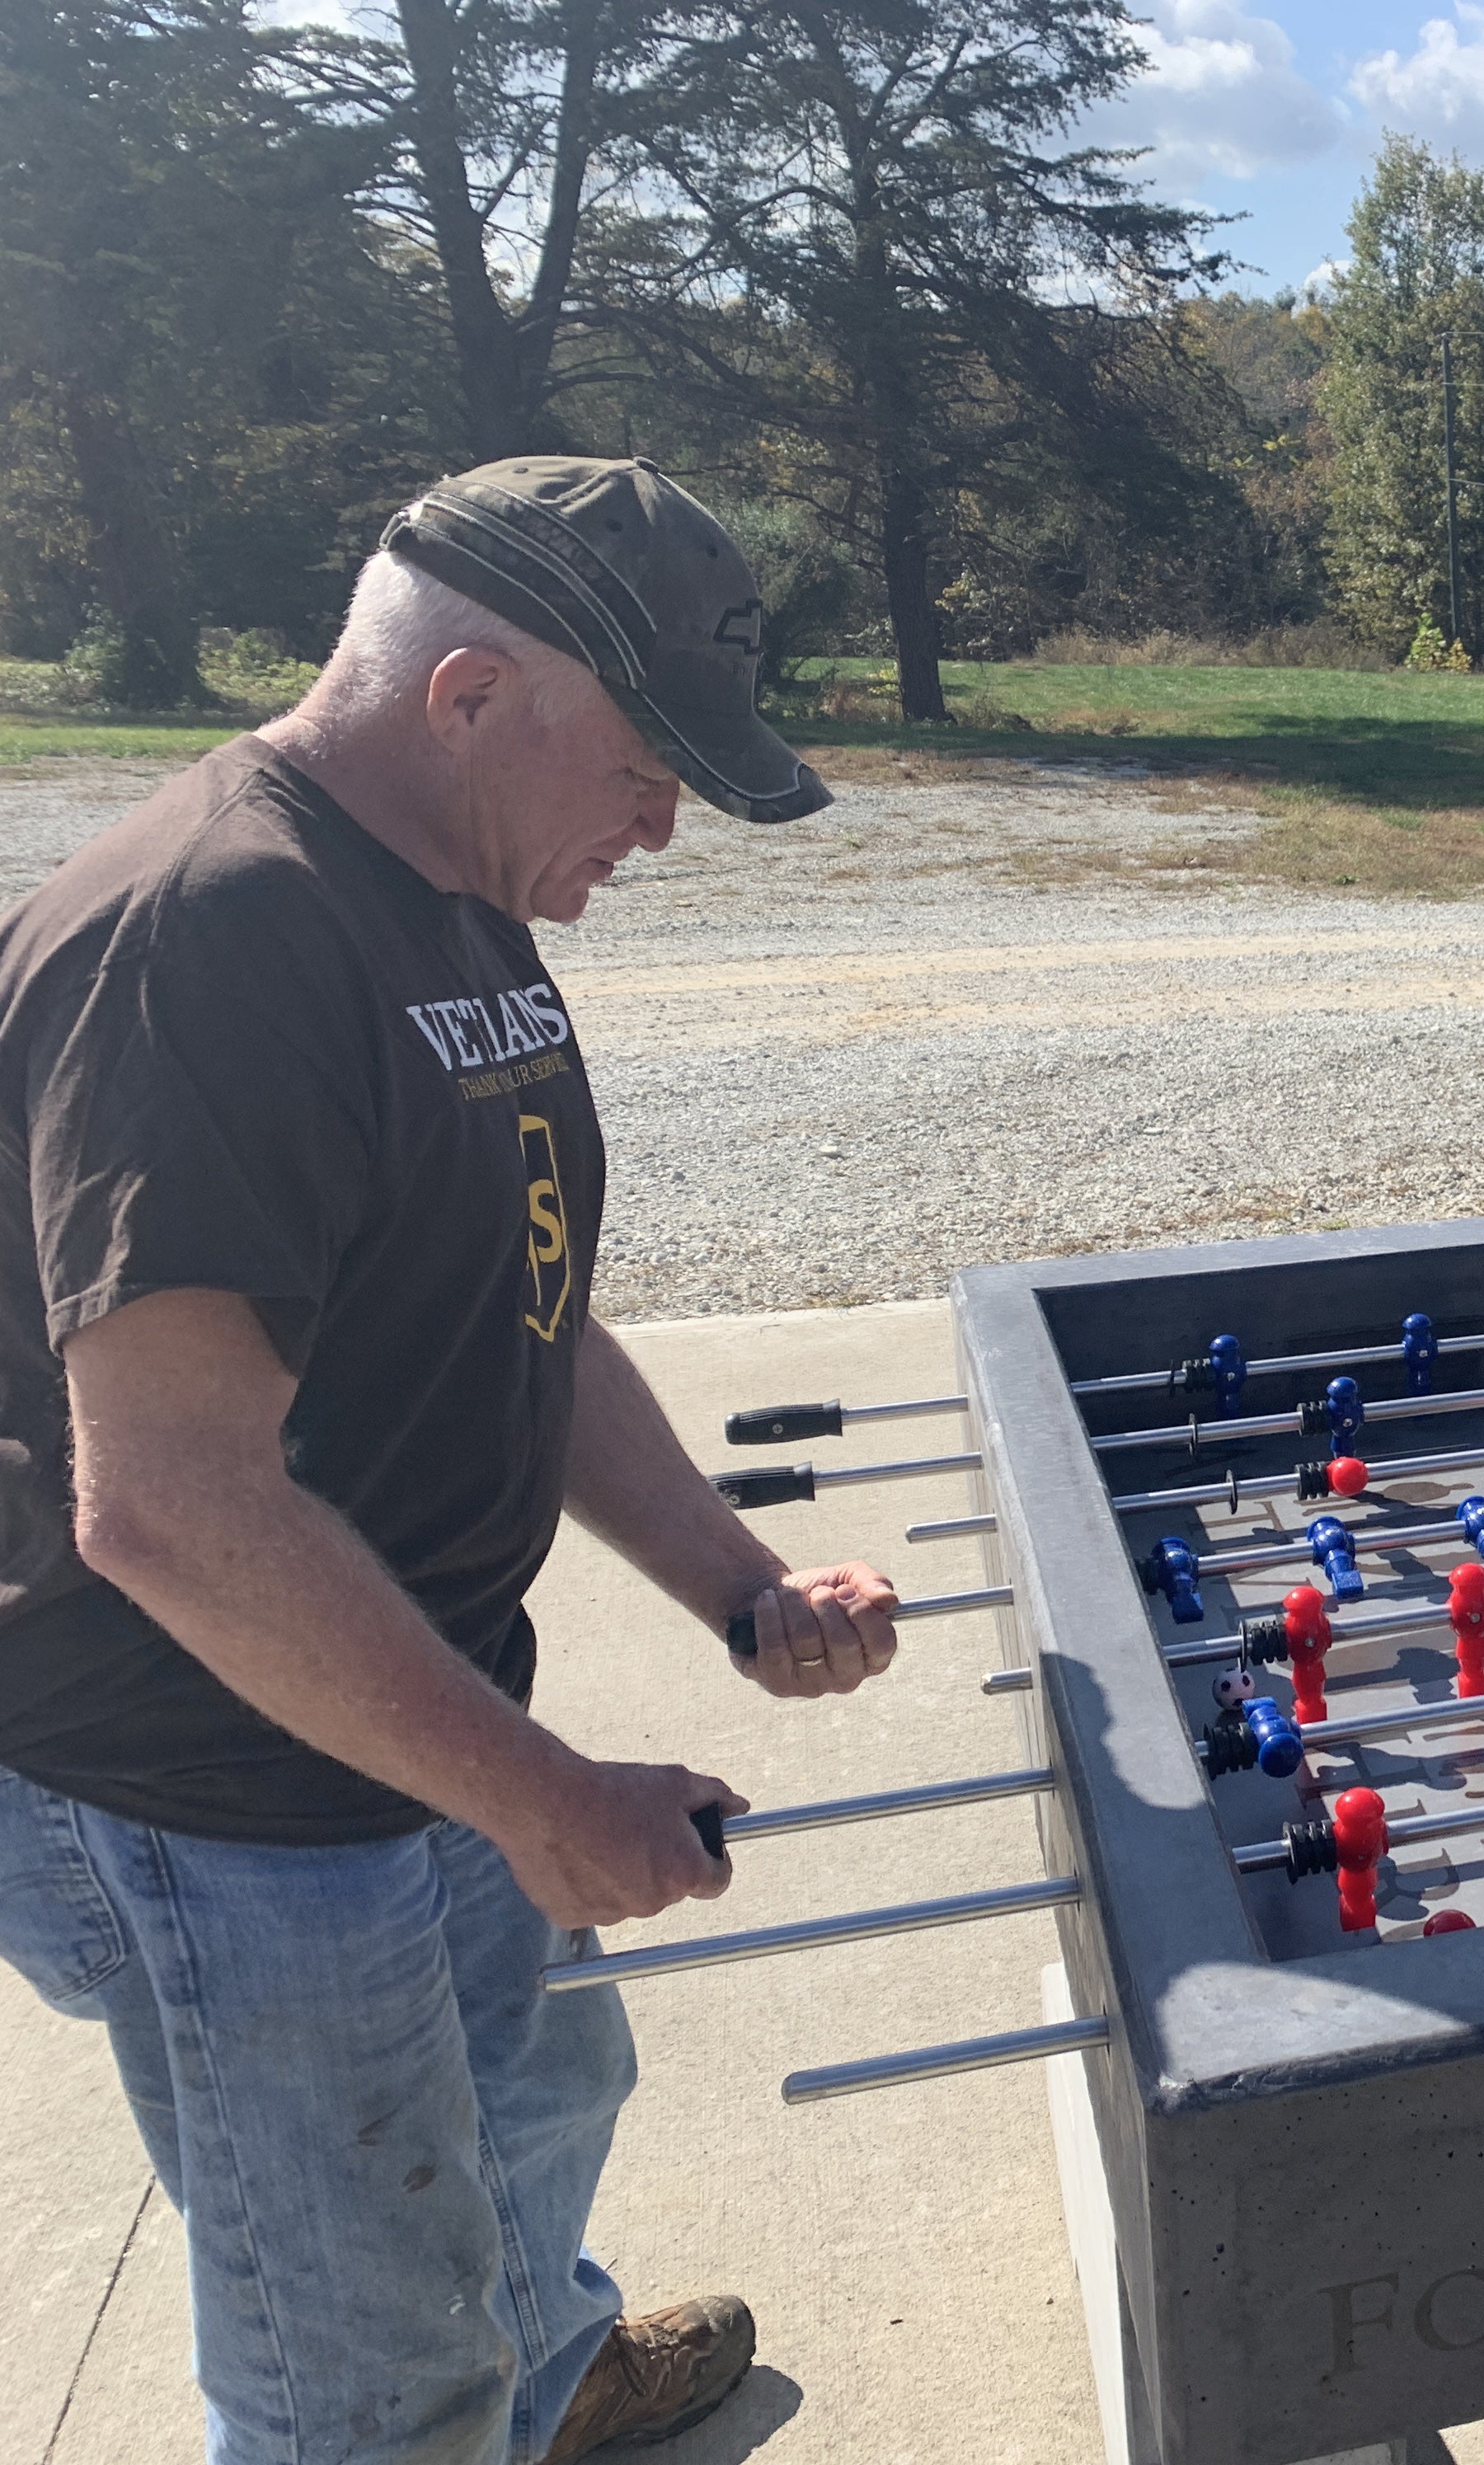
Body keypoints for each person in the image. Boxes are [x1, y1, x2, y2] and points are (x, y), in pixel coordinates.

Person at [0, 458, 905, 2464]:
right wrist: (542, 1797)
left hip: (400, 1696)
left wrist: (734, 1587)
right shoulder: (213, 939)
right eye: (649, 760)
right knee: (366, 2372)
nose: (669, 819)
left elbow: (524, 1310)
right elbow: (165, 1500)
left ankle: (551, 2380)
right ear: (473, 694)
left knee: (537, 2101)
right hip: (208, 1774)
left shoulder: (450, 902)